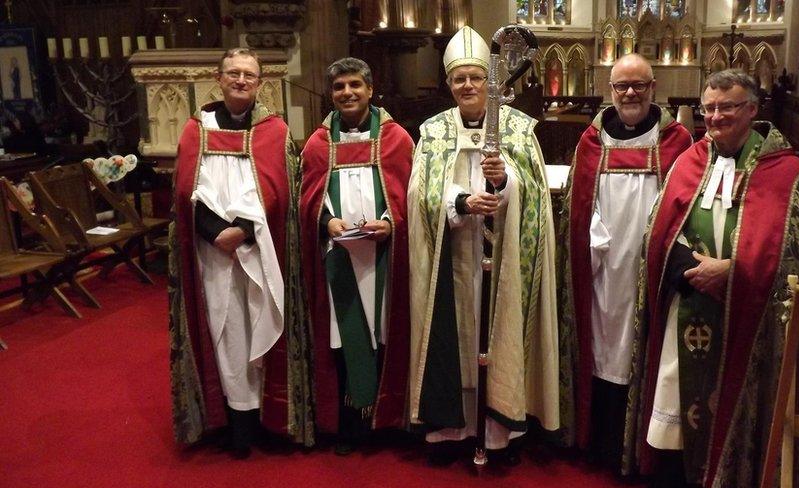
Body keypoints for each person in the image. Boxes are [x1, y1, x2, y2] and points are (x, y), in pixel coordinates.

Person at [639, 69, 799, 488]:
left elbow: (794, 257)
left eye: (728, 107)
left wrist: (733, 272)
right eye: (709, 108)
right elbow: (657, 234)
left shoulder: (785, 170)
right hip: (690, 303)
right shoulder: (689, 160)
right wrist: (689, 269)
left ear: (753, 110)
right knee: (677, 395)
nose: (716, 118)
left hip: (749, 320)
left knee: (741, 401)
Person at [407, 26, 559, 464]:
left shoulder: (517, 128)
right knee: (454, 336)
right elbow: (418, 194)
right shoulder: (433, 131)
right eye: (460, 79)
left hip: (501, 259)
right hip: (452, 255)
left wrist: (504, 181)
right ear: (449, 84)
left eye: (476, 77)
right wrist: (459, 201)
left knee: (497, 331)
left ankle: (494, 429)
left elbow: (533, 191)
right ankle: (454, 425)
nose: (468, 86)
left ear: (492, 83)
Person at [169, 48, 312, 458]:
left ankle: (268, 418)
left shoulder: (275, 130)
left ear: (260, 82)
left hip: (260, 246)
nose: (241, 81)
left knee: (261, 320)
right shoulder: (196, 130)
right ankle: (235, 421)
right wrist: (217, 232)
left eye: (249, 75)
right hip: (211, 250)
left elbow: (283, 188)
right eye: (233, 73)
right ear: (219, 78)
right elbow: (183, 192)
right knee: (225, 328)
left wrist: (245, 229)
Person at [560, 53, 692, 472]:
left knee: (646, 345)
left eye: (639, 85)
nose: (630, 93)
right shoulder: (592, 141)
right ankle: (599, 442)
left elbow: (686, 206)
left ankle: (641, 449)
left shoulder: (678, 142)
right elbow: (578, 205)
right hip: (602, 269)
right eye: (622, 86)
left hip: (652, 268)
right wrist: (597, 242)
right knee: (603, 345)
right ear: (610, 90)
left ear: (654, 88)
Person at [299, 58, 413, 455]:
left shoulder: (396, 138)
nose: (347, 93)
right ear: (331, 95)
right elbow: (308, 198)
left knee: (385, 333)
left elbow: (407, 194)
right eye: (339, 87)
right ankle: (351, 426)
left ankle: (386, 421)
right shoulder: (318, 143)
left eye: (354, 85)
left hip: (384, 255)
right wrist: (326, 219)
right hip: (340, 258)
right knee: (343, 339)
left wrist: (389, 221)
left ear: (369, 89)